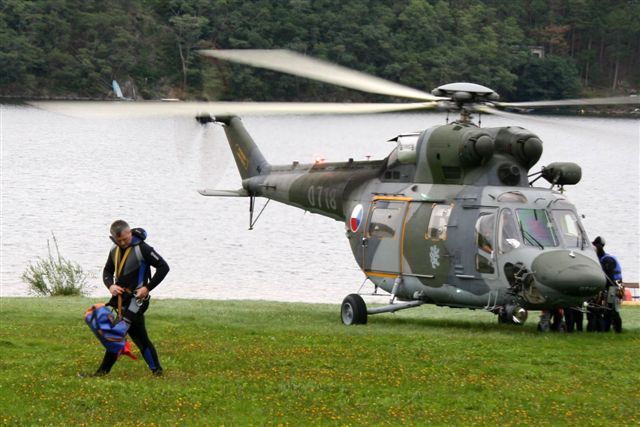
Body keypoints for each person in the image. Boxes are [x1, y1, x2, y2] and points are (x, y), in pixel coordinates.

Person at [92, 220, 170, 376]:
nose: (122, 243)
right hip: (123, 300)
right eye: (118, 240)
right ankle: (157, 371)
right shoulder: (114, 249)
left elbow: (163, 267)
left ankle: (101, 373)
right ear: (113, 237)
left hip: (138, 301)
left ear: (130, 233)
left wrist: (147, 288)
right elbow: (107, 271)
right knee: (140, 337)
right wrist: (111, 286)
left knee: (117, 333)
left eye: (125, 239)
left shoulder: (143, 248)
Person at [592, 236, 623, 333]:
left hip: (613, 288)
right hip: (616, 286)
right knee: (610, 309)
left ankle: (617, 329)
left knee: (612, 309)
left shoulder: (607, 259)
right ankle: (608, 329)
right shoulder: (607, 258)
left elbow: (608, 277)